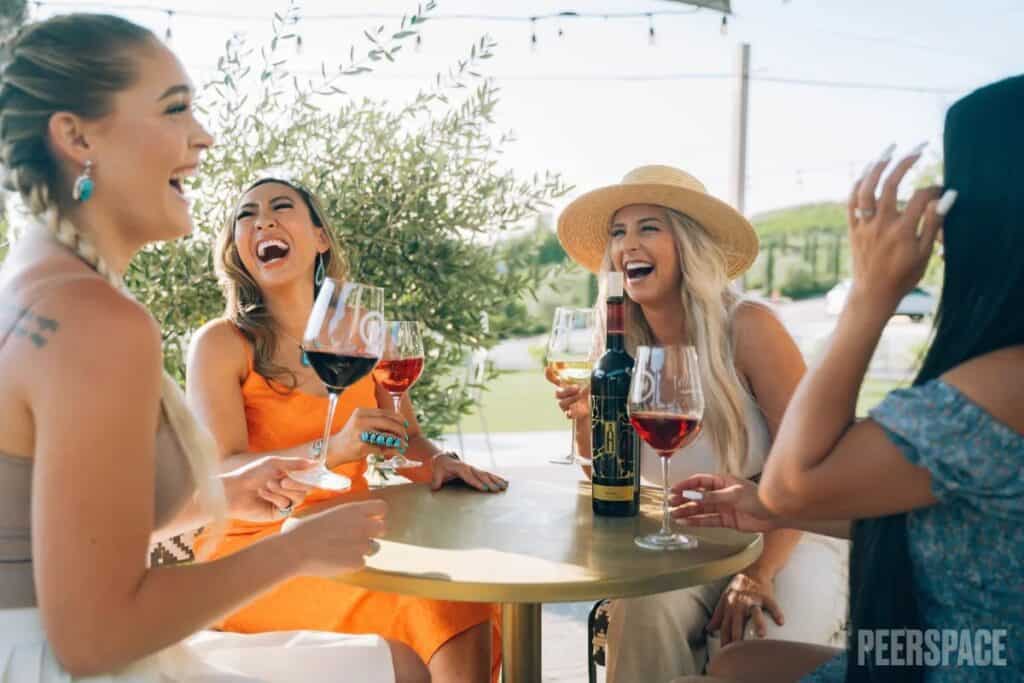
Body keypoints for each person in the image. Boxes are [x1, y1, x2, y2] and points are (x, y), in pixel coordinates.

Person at [0, 14, 430, 682]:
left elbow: (60, 533)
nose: (203, 137)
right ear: (76, 136)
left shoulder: (41, 281)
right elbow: (93, 634)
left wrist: (223, 493)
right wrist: (297, 550)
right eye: (176, 109)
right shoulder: (93, 317)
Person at [671, 75, 1024, 682]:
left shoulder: (1006, 381)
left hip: (974, 662)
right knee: (742, 666)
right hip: (978, 648)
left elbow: (795, 482)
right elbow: (958, 506)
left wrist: (869, 294)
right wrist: (761, 504)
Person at [186, 176, 508, 683]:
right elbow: (222, 468)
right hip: (254, 556)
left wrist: (438, 461)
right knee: (444, 607)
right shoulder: (221, 344)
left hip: (354, 542)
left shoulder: (362, 331)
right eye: (246, 215)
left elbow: (404, 438)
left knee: (476, 597)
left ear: (321, 238)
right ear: (238, 250)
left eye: (281, 206)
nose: (262, 220)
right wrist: (331, 451)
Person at [550, 165, 849, 681]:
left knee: (756, 637)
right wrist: (586, 421)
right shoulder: (619, 347)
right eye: (618, 233)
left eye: (648, 228)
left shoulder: (749, 328)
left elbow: (821, 467)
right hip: (688, 541)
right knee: (639, 612)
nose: (627, 246)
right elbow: (606, 477)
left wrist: (759, 571)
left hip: (789, 537)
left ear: (687, 243)